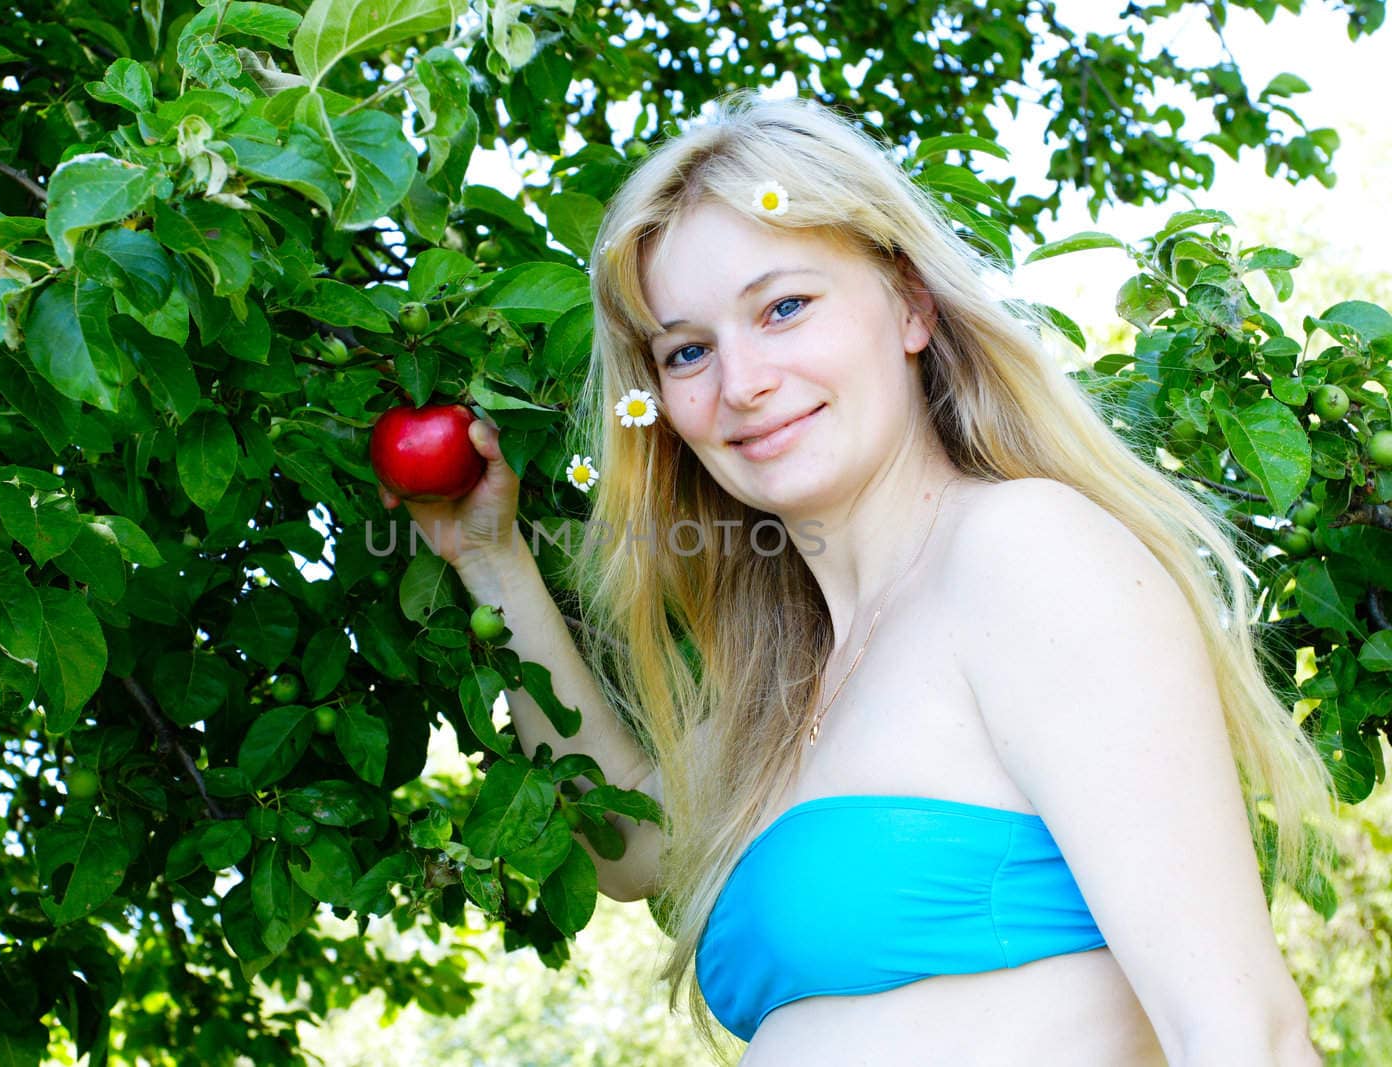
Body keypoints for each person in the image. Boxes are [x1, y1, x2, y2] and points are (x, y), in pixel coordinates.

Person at [377, 91, 1337, 1065]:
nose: (741, 380)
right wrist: (491, 557)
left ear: (910, 303)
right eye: (687, 350)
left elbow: (1241, 1031)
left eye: (784, 306)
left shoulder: (1022, 554)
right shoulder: (788, 682)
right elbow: (629, 841)